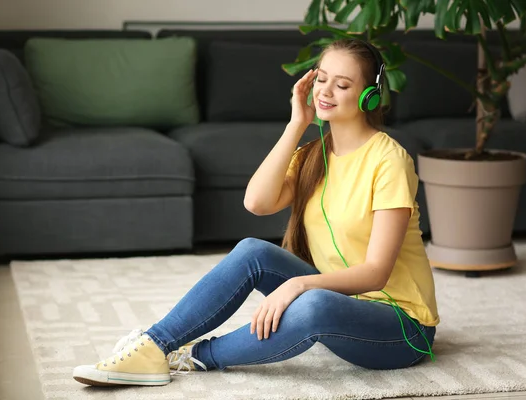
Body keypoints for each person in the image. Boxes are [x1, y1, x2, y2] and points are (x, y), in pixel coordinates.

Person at [72, 38, 440, 387]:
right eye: (321, 79)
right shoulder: (314, 154)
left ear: (368, 96)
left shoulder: (389, 160)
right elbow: (257, 203)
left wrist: (299, 284)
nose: (326, 92)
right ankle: (155, 347)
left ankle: (198, 355)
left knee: (312, 303)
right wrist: (296, 124)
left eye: (342, 85)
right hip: (344, 307)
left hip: (402, 328)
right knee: (253, 251)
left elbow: (376, 273)